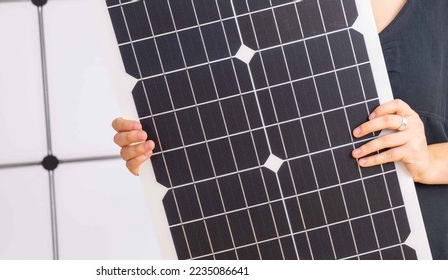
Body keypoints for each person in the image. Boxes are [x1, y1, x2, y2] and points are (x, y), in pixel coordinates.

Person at [112, 0, 448, 259]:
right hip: (272, 245)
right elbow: (235, 133)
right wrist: (161, 148)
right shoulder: (238, 14)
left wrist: (429, 161)